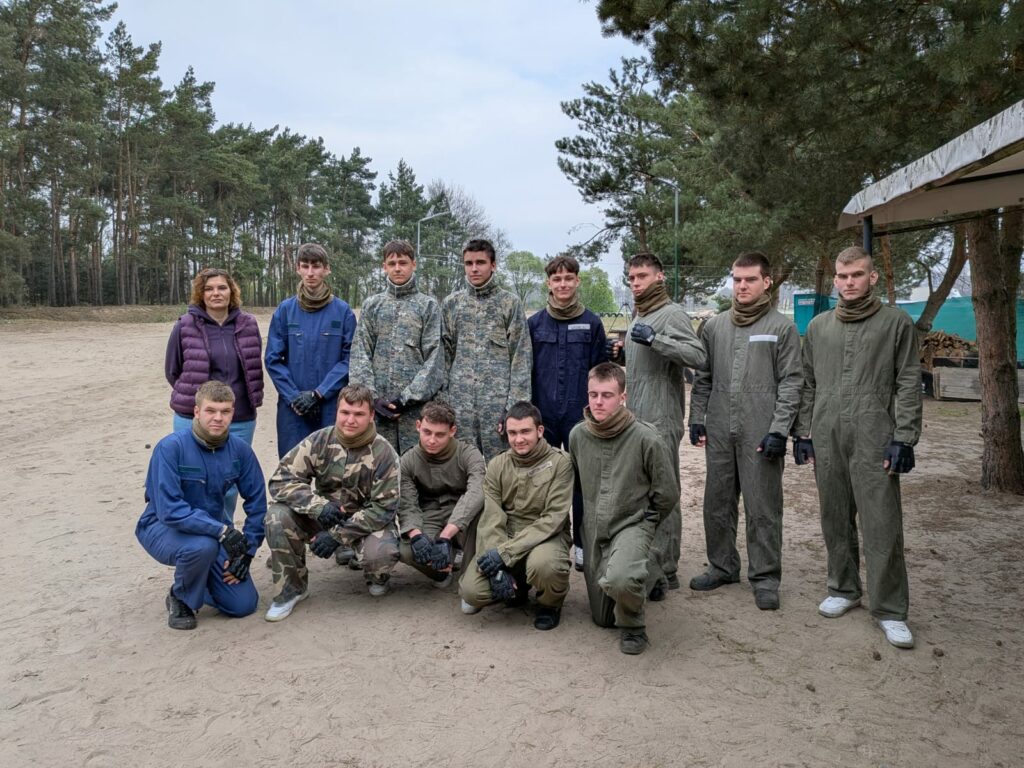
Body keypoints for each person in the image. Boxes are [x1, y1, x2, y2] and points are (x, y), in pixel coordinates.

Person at [793, 246, 922, 649]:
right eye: (843, 276)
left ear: (873, 277)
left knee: (881, 522)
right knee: (834, 514)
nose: (849, 283)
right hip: (827, 432)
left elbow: (908, 381)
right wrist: (803, 432)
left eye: (857, 275)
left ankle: (890, 608)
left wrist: (905, 436)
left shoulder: (895, 323)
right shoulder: (818, 327)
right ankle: (844, 587)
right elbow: (808, 382)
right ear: (835, 279)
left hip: (874, 433)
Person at [687, 251, 803, 611]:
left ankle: (765, 577)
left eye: (750, 279)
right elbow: (702, 378)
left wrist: (779, 430)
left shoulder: (780, 328)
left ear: (767, 282)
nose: (742, 286)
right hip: (721, 428)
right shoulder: (715, 326)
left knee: (763, 505)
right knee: (717, 502)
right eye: (737, 279)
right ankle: (722, 566)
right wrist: (697, 417)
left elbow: (792, 382)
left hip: (760, 429)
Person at [610, 253, 706, 599]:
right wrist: (623, 353)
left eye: (641, 276)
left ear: (659, 277)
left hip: (662, 418)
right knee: (642, 492)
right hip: (637, 416)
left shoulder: (672, 313)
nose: (635, 282)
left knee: (664, 492)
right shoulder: (643, 313)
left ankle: (666, 569)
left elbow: (697, 357)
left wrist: (657, 340)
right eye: (631, 277)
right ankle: (649, 561)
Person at [135, 381, 267, 631]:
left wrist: (247, 552)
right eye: (211, 411)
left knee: (243, 605)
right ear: (196, 412)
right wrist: (221, 531)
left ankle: (202, 579)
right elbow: (169, 510)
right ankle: (181, 596)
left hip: (213, 533)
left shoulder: (240, 451)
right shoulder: (170, 448)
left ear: (233, 412)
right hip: (161, 528)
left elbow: (258, 503)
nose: (218, 418)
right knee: (201, 547)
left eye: (225, 411)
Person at [262, 385, 401, 621]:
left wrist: (337, 536)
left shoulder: (384, 453)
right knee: (276, 516)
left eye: (358, 414)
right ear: (336, 412)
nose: (350, 420)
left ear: (371, 416)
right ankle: (291, 589)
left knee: (382, 553)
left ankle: (376, 576)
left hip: (363, 523)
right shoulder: (320, 440)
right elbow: (280, 480)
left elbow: (383, 508)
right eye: (345, 412)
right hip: (323, 514)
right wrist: (317, 506)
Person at [568, 363, 677, 654]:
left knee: (621, 580)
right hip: (594, 527)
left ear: (623, 397)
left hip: (632, 523)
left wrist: (647, 523)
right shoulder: (578, 436)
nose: (599, 402)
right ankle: (649, 568)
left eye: (607, 395)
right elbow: (576, 481)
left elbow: (667, 492)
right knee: (603, 619)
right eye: (593, 394)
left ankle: (634, 626)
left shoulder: (646, 438)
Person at [459, 401, 573, 631]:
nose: (518, 439)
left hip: (546, 536)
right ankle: (517, 586)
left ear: (539, 431)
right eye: (512, 432)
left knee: (545, 566)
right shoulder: (497, 465)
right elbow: (492, 517)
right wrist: (497, 565)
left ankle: (550, 605)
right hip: (507, 534)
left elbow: (553, 518)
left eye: (525, 431)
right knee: (472, 592)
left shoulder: (561, 463)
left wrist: (503, 554)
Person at [528, 254, 607, 572]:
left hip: (580, 416)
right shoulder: (534, 324)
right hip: (543, 416)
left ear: (577, 281)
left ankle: (581, 543)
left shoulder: (592, 322)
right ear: (549, 283)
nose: (562, 284)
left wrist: (597, 413)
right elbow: (526, 370)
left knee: (581, 482)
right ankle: (547, 540)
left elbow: (601, 371)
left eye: (568, 278)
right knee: (544, 481)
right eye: (556, 279)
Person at [165, 267, 263, 515]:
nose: (215, 293)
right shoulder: (185, 325)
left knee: (228, 482)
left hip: (239, 417)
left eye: (222, 287)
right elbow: (173, 370)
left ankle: (225, 535)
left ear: (232, 291)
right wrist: (197, 402)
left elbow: (252, 367)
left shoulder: (248, 324)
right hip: (192, 417)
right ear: (200, 293)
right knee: (192, 479)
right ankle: (197, 540)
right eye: (208, 289)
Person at [350, 239, 444, 456]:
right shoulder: (372, 305)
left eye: (403, 262)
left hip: (414, 412)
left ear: (414, 264)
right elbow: (360, 353)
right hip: (378, 411)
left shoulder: (427, 306)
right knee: (378, 468)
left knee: (416, 470)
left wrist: (406, 398)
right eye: (392, 263)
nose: (397, 268)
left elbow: (435, 358)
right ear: (384, 266)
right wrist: (371, 398)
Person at [441, 238, 532, 463]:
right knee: (463, 468)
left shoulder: (509, 303)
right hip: (460, 405)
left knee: (503, 467)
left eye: (480, 262)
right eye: (468, 263)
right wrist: (444, 403)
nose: (474, 269)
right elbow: (443, 356)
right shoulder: (452, 304)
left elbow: (521, 357)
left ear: (493, 265)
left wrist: (514, 409)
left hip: (498, 406)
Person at [265, 242, 357, 458]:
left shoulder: (343, 312)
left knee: (332, 474)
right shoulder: (285, 311)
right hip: (293, 409)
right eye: (305, 266)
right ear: (297, 268)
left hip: (330, 406)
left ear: (327, 269)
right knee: (292, 473)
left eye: (316, 266)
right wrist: (294, 397)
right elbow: (273, 359)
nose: (310, 273)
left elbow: (350, 358)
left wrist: (319, 393)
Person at [397, 401, 486, 588]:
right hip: (431, 513)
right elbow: (407, 504)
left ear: (452, 431)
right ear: (418, 426)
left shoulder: (469, 454)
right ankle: (440, 572)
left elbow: (476, 492)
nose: (431, 440)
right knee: (407, 551)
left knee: (484, 538)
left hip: (463, 513)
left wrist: (446, 535)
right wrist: (416, 536)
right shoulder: (407, 461)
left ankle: (469, 573)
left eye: (440, 435)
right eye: (427, 432)